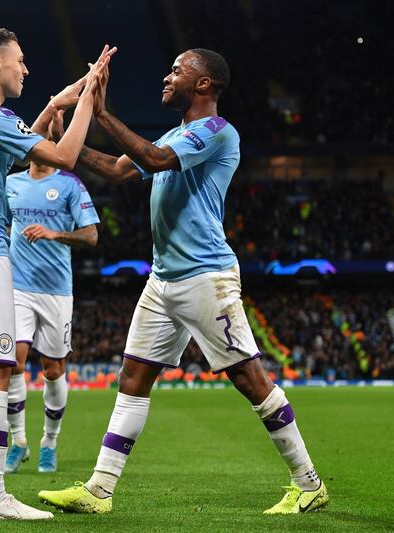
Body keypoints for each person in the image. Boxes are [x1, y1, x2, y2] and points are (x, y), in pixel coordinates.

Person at [38, 49, 329, 515]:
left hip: (205, 276)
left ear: (204, 85)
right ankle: (99, 491)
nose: (167, 75)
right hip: (163, 278)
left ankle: (309, 482)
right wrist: (64, 149)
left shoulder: (216, 131)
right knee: (132, 378)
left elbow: (153, 160)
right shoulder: (177, 133)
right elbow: (117, 170)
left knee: (249, 379)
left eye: (178, 70)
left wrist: (102, 111)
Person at [0, 26, 114, 521]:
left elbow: (19, 143)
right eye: (20, 60)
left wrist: (58, 98)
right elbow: (62, 155)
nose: (25, 69)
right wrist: (84, 103)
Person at [3, 116, 100, 474]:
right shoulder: (10, 184)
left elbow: (91, 236)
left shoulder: (70, 185)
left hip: (57, 291)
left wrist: (54, 234)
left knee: (53, 368)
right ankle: (19, 442)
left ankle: (49, 442)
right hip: (17, 287)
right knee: (13, 362)